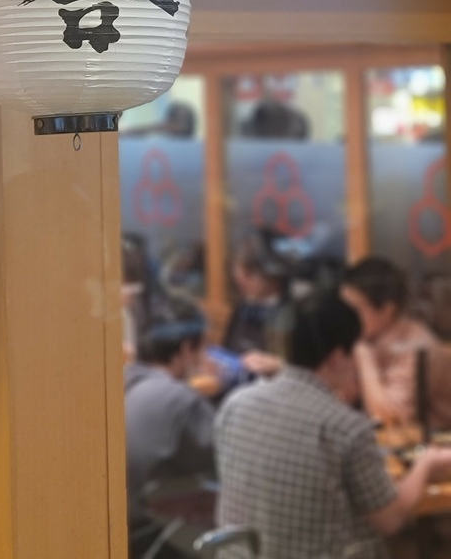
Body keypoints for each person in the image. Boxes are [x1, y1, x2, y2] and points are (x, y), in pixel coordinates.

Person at [215, 291, 451, 559]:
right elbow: (390, 519)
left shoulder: (235, 404)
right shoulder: (344, 428)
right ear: (338, 357)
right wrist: (427, 463)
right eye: (356, 353)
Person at [125, 318, 215, 553]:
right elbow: (223, 461)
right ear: (186, 349)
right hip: (156, 534)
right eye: (202, 349)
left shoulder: (120, 379)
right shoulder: (183, 401)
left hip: (122, 527)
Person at [341, 256, 451, 430]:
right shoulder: (370, 338)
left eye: (355, 309)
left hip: (435, 441)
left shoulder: (415, 346)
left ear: (387, 309)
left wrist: (363, 357)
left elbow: (390, 420)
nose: (345, 316)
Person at [221, 232, 291, 376]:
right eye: (238, 270)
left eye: (250, 272)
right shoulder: (242, 308)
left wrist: (280, 366)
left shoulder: (292, 314)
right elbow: (227, 350)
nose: (240, 278)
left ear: (275, 275)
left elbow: (304, 371)